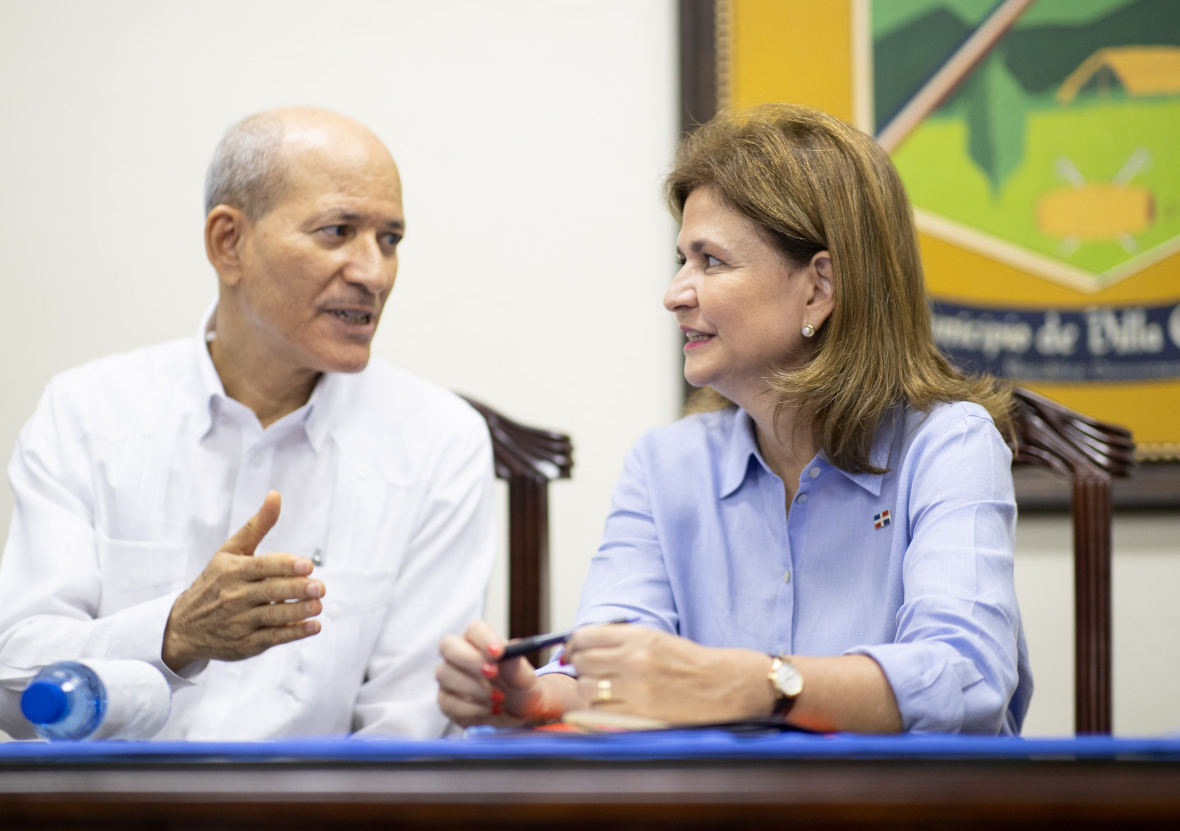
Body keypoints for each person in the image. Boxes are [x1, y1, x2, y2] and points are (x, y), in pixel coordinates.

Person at [436, 103, 1031, 735]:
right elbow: (611, 665)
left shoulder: (950, 445)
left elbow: (968, 677)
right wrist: (538, 697)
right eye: (681, 260)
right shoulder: (665, 465)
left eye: (711, 261)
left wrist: (753, 684)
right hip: (720, 799)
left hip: (902, 798)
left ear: (819, 288)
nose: (674, 294)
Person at [0, 107, 497, 740]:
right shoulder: (90, 412)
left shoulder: (439, 441)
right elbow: (9, 687)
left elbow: (409, 728)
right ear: (229, 243)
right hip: (122, 796)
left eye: (390, 240)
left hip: (328, 801)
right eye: (337, 231)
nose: (374, 273)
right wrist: (173, 633)